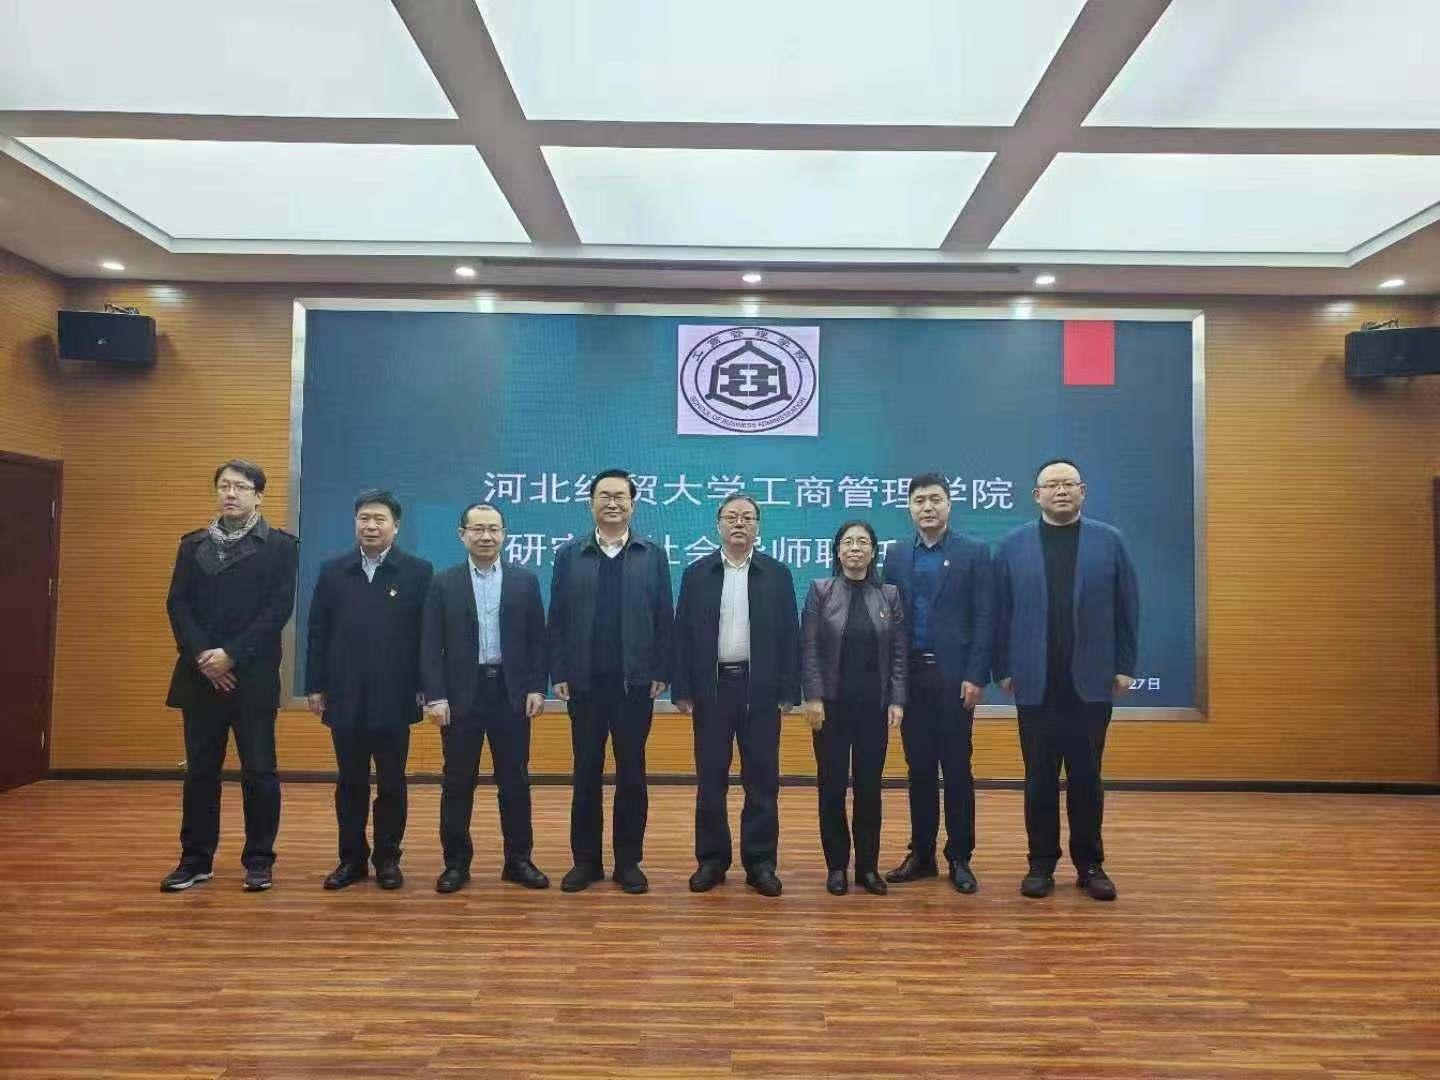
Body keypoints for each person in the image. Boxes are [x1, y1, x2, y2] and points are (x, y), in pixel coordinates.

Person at [994, 459, 1139, 902]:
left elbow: (1127, 608)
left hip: (1090, 683)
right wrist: (1002, 668)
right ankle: (1040, 864)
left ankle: (1090, 865)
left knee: (1086, 778)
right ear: (1036, 495)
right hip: (1034, 684)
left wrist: (1125, 665)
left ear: (1083, 491)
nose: (1061, 491)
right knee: (1038, 779)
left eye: (1068, 484)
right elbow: (1000, 613)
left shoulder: (1109, 541)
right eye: (1052, 485)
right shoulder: (1013, 545)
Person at [161, 459, 298, 892]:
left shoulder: (280, 547)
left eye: (240, 487)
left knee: (259, 771)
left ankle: (259, 860)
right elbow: (178, 604)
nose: (231, 494)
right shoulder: (193, 544)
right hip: (200, 676)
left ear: (259, 496)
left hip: (251, 677)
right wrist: (206, 657)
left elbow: (278, 609)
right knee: (201, 773)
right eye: (224, 486)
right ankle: (195, 859)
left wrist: (231, 656)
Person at [548, 469, 673, 895]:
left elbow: (664, 617)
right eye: (605, 495)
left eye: (621, 496)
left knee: (632, 774)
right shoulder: (569, 555)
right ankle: (585, 862)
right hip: (584, 685)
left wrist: (661, 671)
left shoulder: (652, 555)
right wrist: (559, 672)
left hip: (634, 685)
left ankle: (628, 862)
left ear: (633, 505)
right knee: (585, 773)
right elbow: (557, 618)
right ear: (591, 503)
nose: (613, 502)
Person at [673, 493, 800, 898]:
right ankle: (712, 860)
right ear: (718, 525)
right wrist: (682, 688)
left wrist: (789, 689)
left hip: (760, 690)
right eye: (731, 517)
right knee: (711, 780)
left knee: (762, 780)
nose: (739, 523)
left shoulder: (776, 574)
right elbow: (682, 633)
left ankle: (760, 862)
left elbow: (790, 634)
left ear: (758, 526)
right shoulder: (697, 573)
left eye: (747, 517)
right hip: (711, 691)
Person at [305, 489, 433, 891]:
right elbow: (318, 631)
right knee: (350, 782)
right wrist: (315, 686)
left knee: (392, 782)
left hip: (395, 696)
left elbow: (426, 635)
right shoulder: (333, 571)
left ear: (396, 526)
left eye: (379, 519)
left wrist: (425, 685)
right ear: (355, 523)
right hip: (345, 694)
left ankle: (388, 859)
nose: (371, 526)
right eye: (364, 518)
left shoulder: (417, 571)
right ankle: (351, 860)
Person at [421, 502, 549, 893]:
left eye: (493, 529)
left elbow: (537, 639)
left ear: (504, 535)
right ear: (462, 535)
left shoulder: (524, 581)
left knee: (515, 781)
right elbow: (430, 644)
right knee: (458, 782)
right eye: (477, 529)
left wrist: (536, 687)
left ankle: (518, 860)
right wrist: (435, 695)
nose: (486, 536)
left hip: (510, 693)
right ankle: (456, 864)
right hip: (462, 695)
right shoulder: (443, 583)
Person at [882, 473, 993, 893]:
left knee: (957, 768)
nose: (927, 507)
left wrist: (976, 674)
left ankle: (960, 857)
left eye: (935, 499)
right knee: (919, 769)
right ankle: (922, 854)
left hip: (955, 678)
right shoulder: (895, 555)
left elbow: (985, 616)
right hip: (911, 677)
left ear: (949, 504)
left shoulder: (973, 552)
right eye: (919, 501)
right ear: (909, 507)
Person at [801, 519, 907, 896]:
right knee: (831, 789)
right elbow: (809, 648)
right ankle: (836, 867)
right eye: (848, 542)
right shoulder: (821, 590)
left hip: (873, 709)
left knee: (869, 790)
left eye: (863, 542)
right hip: (830, 708)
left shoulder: (889, 595)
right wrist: (813, 697)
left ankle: (867, 868)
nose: (855, 548)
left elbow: (899, 652)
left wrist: (897, 699)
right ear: (838, 550)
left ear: (873, 551)